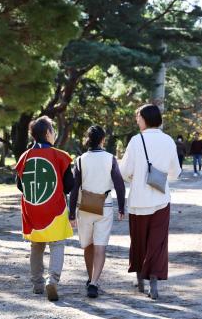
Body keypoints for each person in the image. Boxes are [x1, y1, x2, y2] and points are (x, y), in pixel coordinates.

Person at [120, 104, 181, 300]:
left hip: (138, 200)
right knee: (158, 242)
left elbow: (124, 171)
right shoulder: (168, 140)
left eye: (138, 117)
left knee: (138, 241)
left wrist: (134, 178)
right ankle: (153, 280)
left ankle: (139, 279)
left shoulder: (136, 141)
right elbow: (175, 173)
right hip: (161, 199)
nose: (137, 121)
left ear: (145, 119)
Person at [15, 116, 74, 302]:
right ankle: (53, 280)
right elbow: (69, 185)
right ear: (48, 133)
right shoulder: (60, 156)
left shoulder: (24, 157)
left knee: (36, 245)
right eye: (53, 130)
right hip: (54, 209)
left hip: (32, 209)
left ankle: (37, 284)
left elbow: (20, 185)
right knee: (57, 244)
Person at [68, 125, 126, 299]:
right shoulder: (110, 158)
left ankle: (90, 277)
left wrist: (71, 213)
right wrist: (122, 207)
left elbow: (74, 187)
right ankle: (94, 282)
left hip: (84, 205)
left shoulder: (80, 160)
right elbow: (119, 184)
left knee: (88, 245)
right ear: (102, 140)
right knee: (100, 246)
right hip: (105, 206)